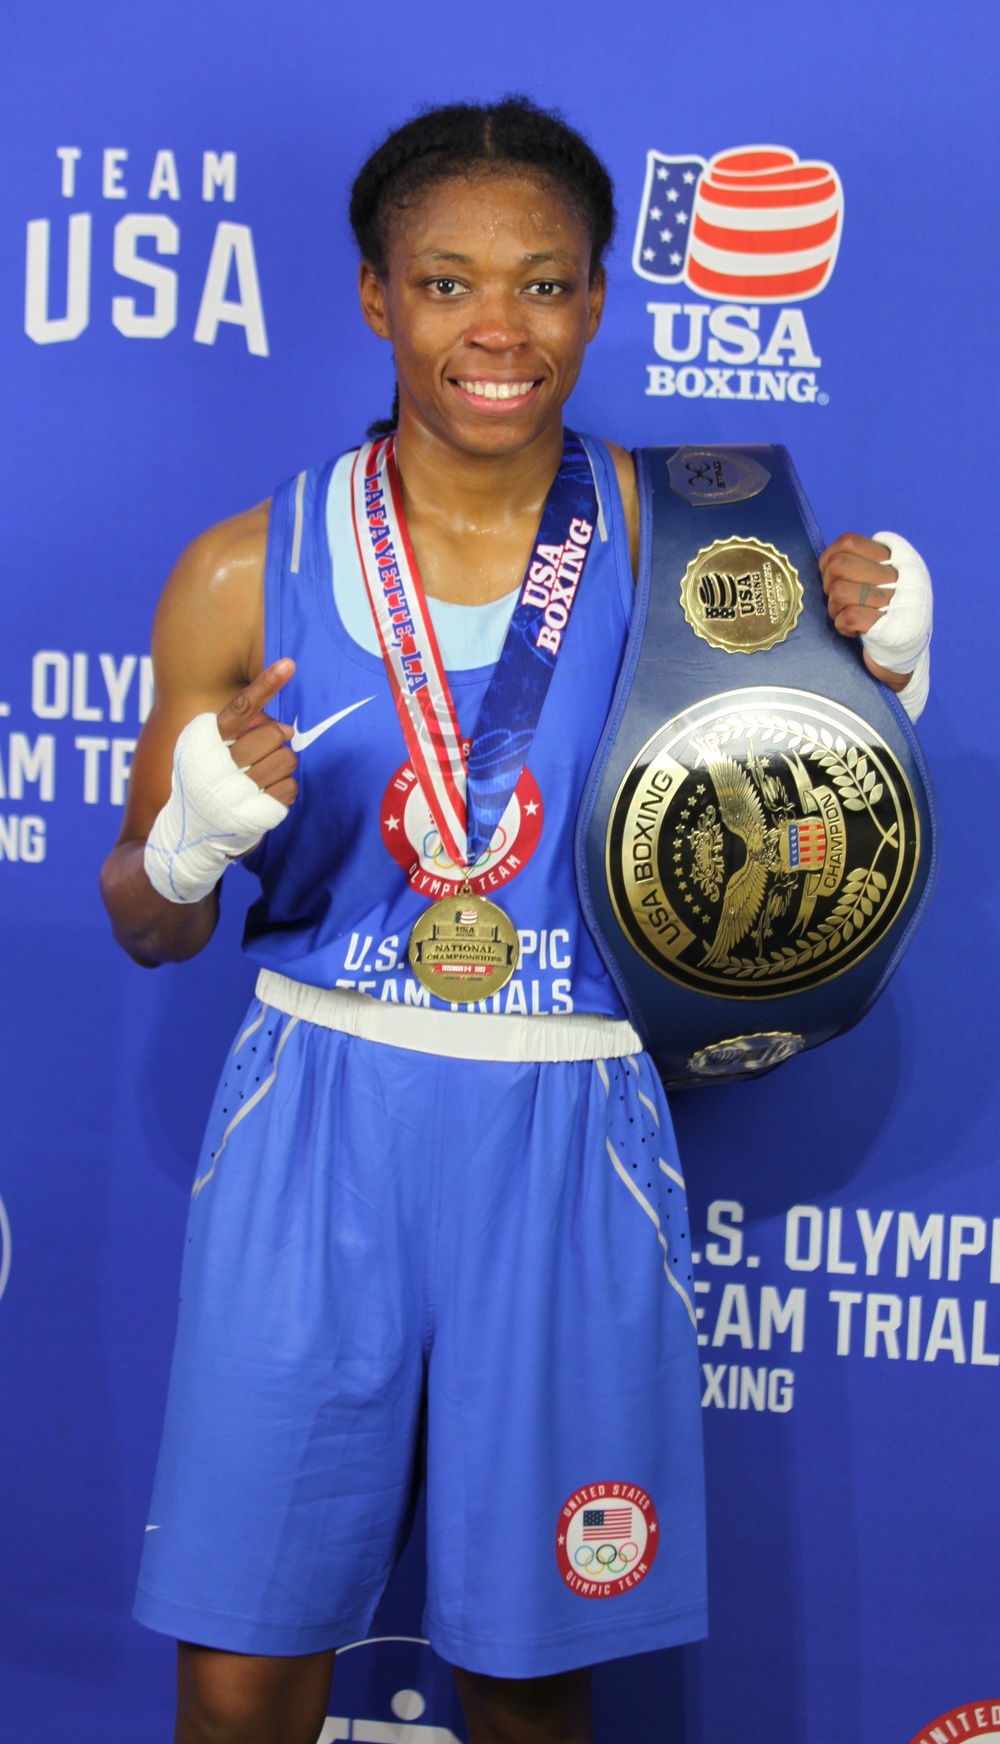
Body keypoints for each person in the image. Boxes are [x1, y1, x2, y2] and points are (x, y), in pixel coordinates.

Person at [101, 97, 931, 1744]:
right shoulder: (236, 573)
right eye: (449, 282)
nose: (499, 330)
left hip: (570, 1121)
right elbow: (144, 927)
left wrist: (883, 679)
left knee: (532, 1685)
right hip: (317, 1118)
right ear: (374, 297)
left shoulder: (703, 545)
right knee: (240, 1677)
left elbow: (815, 853)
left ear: (601, 298)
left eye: (545, 285)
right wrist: (186, 847)